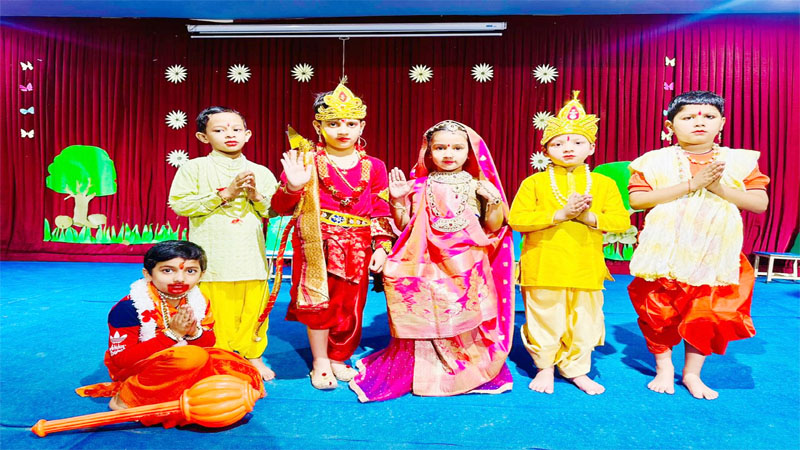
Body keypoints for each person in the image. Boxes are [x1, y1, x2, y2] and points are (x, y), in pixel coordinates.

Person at [349, 120, 515, 402]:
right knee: (425, 305)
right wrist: (398, 200)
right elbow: (405, 227)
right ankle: (422, 370)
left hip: (467, 261)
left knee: (464, 315)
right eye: (440, 148)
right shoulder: (418, 186)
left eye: (457, 148)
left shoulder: (479, 185)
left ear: (469, 152)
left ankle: (465, 369)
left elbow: (493, 227)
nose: (448, 154)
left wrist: (495, 202)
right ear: (428, 151)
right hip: (427, 261)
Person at [627, 90, 769, 400]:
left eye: (708, 116)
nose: (699, 122)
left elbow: (759, 204)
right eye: (689, 117)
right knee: (658, 313)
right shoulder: (654, 162)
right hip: (665, 252)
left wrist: (718, 188)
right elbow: (638, 200)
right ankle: (664, 368)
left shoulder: (739, 161)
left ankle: (692, 374)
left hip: (715, 254)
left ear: (722, 123)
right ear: (670, 125)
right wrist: (692, 185)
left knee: (705, 315)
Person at [272, 81, 394, 389]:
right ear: (318, 126)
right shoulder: (306, 160)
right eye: (333, 123)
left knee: (352, 305)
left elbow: (381, 209)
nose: (343, 130)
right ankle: (320, 361)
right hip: (317, 242)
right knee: (319, 305)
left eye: (351, 124)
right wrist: (294, 186)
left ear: (361, 126)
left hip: (358, 245)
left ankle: (339, 356)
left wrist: (382, 246)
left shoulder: (374, 166)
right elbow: (279, 207)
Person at [508, 91, 631, 395]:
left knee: (585, 321)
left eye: (577, 142)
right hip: (544, 264)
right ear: (545, 149)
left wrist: (587, 216)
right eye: (558, 143)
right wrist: (560, 214)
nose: (567, 148)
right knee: (544, 318)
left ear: (591, 147)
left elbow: (620, 221)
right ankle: (545, 368)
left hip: (585, 265)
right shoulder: (534, 182)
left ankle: (578, 370)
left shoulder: (603, 184)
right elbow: (517, 219)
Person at [76, 241, 264, 425]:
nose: (180, 279)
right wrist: (172, 334)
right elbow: (122, 360)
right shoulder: (128, 308)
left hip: (181, 359)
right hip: (139, 367)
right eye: (168, 270)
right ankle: (126, 398)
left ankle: (174, 390)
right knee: (193, 357)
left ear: (202, 275)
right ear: (148, 274)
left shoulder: (199, 301)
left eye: (190, 271)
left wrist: (193, 332)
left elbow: (208, 342)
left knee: (239, 370)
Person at [169, 106, 278, 381]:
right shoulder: (193, 168)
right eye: (219, 130)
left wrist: (255, 196)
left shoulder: (260, 172)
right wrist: (225, 193)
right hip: (213, 255)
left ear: (247, 134)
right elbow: (179, 204)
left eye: (236, 129)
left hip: (250, 256)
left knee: (253, 309)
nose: (230, 134)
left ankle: (253, 356)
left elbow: (273, 211)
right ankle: (217, 357)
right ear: (203, 137)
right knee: (213, 309)